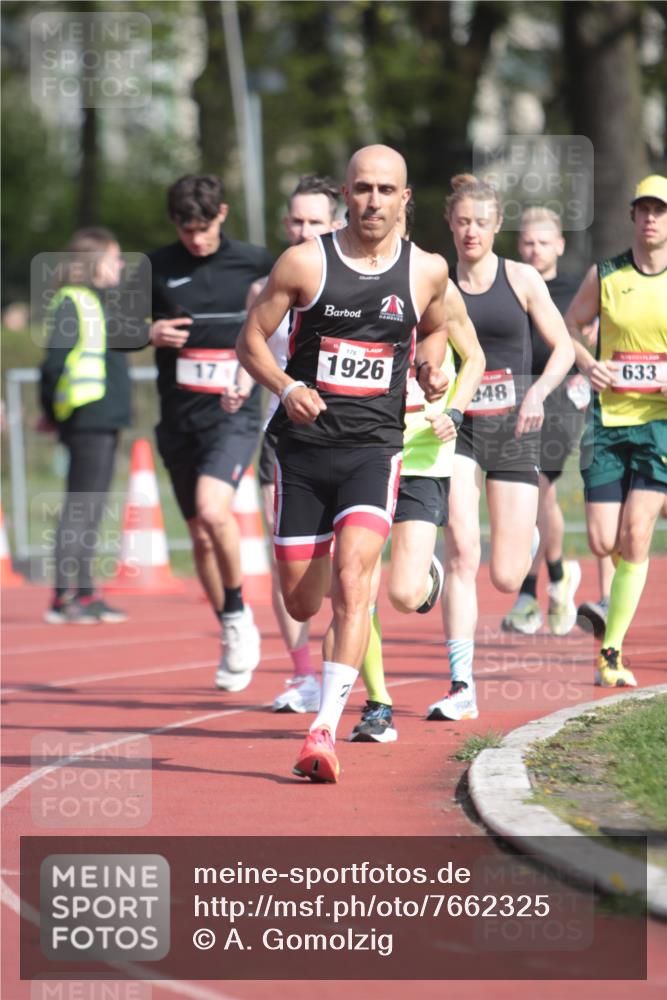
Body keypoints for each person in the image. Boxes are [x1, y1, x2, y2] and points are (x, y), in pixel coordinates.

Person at [237, 144, 450, 782]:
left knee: (356, 584)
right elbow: (251, 339)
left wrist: (431, 367)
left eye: (387, 190)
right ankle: (326, 708)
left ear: (405, 198)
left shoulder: (426, 270)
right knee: (304, 604)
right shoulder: (305, 263)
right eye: (363, 189)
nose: (374, 201)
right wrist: (285, 386)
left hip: (374, 450)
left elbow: (436, 327)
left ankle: (323, 729)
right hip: (301, 453)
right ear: (346, 195)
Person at [428, 174, 575, 723]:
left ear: (497, 227)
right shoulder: (436, 281)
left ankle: (531, 537)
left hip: (514, 429)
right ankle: (461, 684)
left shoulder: (521, 278)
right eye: (463, 222)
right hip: (459, 428)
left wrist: (538, 391)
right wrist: (431, 382)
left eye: (482, 223)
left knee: (507, 577)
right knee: (462, 553)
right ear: (451, 223)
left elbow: (562, 347)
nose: (471, 232)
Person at [351, 198, 485, 742]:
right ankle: (377, 703)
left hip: (423, 456)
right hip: (362, 450)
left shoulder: (436, 286)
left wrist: (452, 409)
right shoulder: (347, 289)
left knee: (404, 594)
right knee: (354, 581)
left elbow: (472, 357)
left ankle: (424, 572)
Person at [148, 175, 273, 692]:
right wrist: (147, 332)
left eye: (204, 228)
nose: (196, 239)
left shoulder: (257, 263)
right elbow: (114, 328)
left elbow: (287, 321)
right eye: (186, 229)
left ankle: (241, 613)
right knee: (199, 530)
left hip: (234, 411)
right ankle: (228, 622)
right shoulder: (155, 266)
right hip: (179, 419)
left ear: (222, 214)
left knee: (214, 508)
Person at [241, 174, 343, 713]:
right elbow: (252, 347)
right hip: (281, 436)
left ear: (336, 224)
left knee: (345, 565)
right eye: (296, 221)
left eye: (315, 222)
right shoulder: (270, 284)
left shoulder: (357, 281)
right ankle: (303, 676)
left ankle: (352, 672)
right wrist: (243, 385)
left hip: (349, 436)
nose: (304, 230)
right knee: (289, 565)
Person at [564, 174, 667, 687]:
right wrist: (587, 362)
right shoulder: (605, 275)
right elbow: (568, 325)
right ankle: (611, 615)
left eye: (660, 210)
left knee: (636, 535)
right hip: (607, 421)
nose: (651, 218)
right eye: (643, 209)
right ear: (632, 216)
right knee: (604, 540)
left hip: (658, 427)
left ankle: (611, 653)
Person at [502, 206, 592, 636]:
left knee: (538, 487)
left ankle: (528, 590)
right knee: (531, 494)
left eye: (543, 242)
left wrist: (590, 340)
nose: (535, 250)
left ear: (559, 245)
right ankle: (558, 578)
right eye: (527, 243)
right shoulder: (511, 284)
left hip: (561, 398)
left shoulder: (575, 290)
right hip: (516, 396)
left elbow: (595, 333)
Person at [40, 228, 132, 624]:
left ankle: (87, 591)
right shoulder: (72, 301)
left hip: (104, 418)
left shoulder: (99, 301)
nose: (121, 265)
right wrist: (51, 411)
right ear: (95, 262)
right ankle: (63, 597)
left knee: (93, 507)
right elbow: (53, 363)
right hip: (85, 418)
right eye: (114, 257)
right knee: (80, 506)